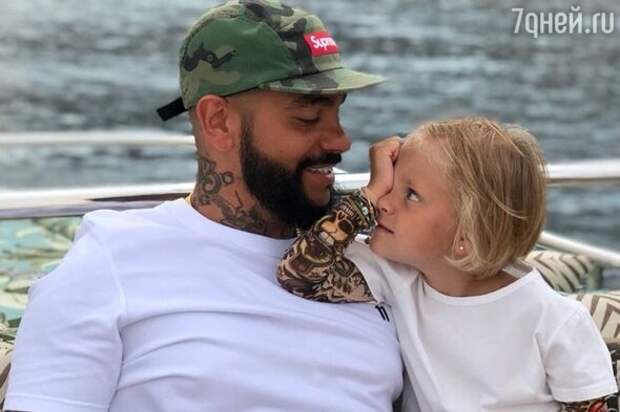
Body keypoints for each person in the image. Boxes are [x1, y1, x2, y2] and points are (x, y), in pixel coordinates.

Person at [4, 1, 406, 411]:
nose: (341, 141)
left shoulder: (378, 266)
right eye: (306, 118)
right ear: (218, 121)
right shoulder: (110, 263)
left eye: (338, 112)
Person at [277, 117, 618, 411]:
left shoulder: (555, 321)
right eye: (389, 184)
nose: (383, 202)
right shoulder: (396, 274)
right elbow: (297, 274)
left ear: (466, 235)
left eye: (411, 194)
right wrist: (367, 195)